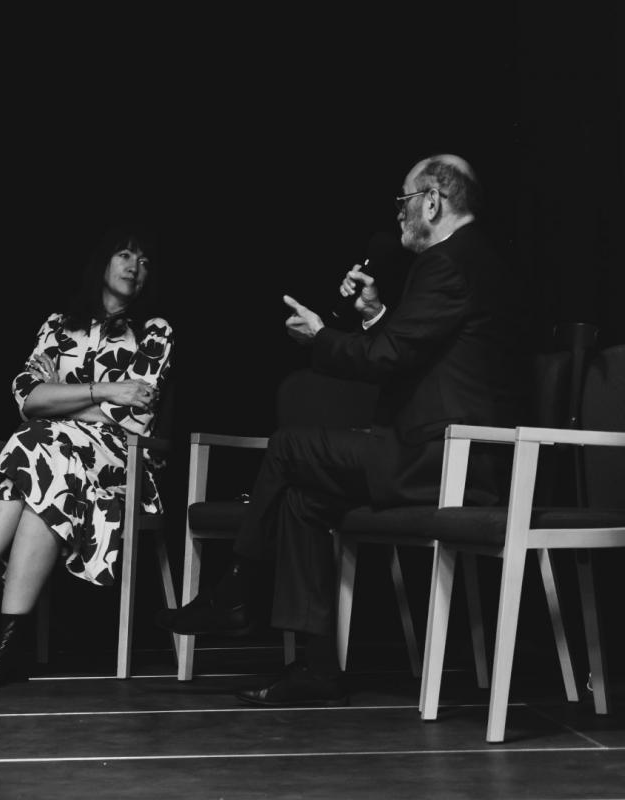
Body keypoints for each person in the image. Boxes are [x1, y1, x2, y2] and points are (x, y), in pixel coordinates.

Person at [156, 154, 526, 706]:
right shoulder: (472, 259)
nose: (399, 213)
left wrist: (321, 337)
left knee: (288, 446)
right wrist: (373, 313)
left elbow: (387, 358)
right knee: (303, 498)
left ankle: (237, 590)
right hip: (436, 451)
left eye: (404, 200)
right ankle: (316, 669)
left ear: (432, 201)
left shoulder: (448, 262)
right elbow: (413, 352)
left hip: (448, 459)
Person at [0, 226, 174, 689]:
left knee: (35, 444)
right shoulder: (58, 326)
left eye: (144, 261)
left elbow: (133, 416)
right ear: (102, 261)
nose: (134, 267)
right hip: (56, 460)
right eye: (124, 255)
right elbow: (27, 398)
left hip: (120, 463)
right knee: (45, 471)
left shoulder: (153, 332)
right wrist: (105, 391)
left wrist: (63, 396)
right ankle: (7, 650)